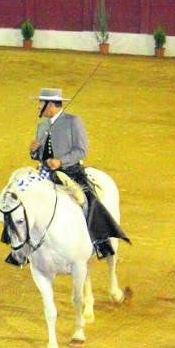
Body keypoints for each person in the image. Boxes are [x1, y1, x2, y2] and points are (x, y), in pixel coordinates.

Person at [29, 88, 128, 258]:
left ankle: (100, 240)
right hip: (45, 172)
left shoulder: (73, 122)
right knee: (23, 199)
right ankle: (23, 245)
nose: (38, 107)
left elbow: (81, 150)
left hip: (71, 171)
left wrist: (61, 161)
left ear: (50, 104)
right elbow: (40, 154)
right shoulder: (42, 125)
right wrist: (33, 152)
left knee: (89, 199)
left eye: (41, 103)